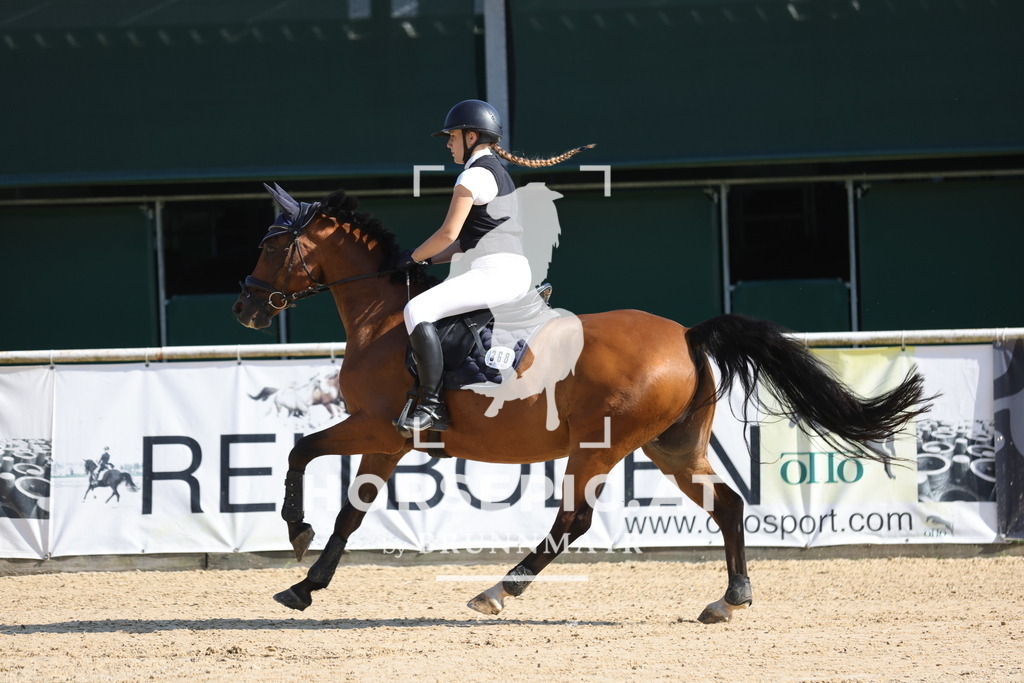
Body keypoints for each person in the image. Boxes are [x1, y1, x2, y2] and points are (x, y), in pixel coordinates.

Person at [394, 99, 593, 433]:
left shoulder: (472, 176)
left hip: (493, 272)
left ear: (471, 137)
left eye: (452, 136)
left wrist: (411, 257)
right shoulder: (498, 175)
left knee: (415, 310)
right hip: (508, 268)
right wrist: (425, 257)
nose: (448, 143)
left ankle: (430, 406)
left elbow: (447, 233)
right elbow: (463, 243)